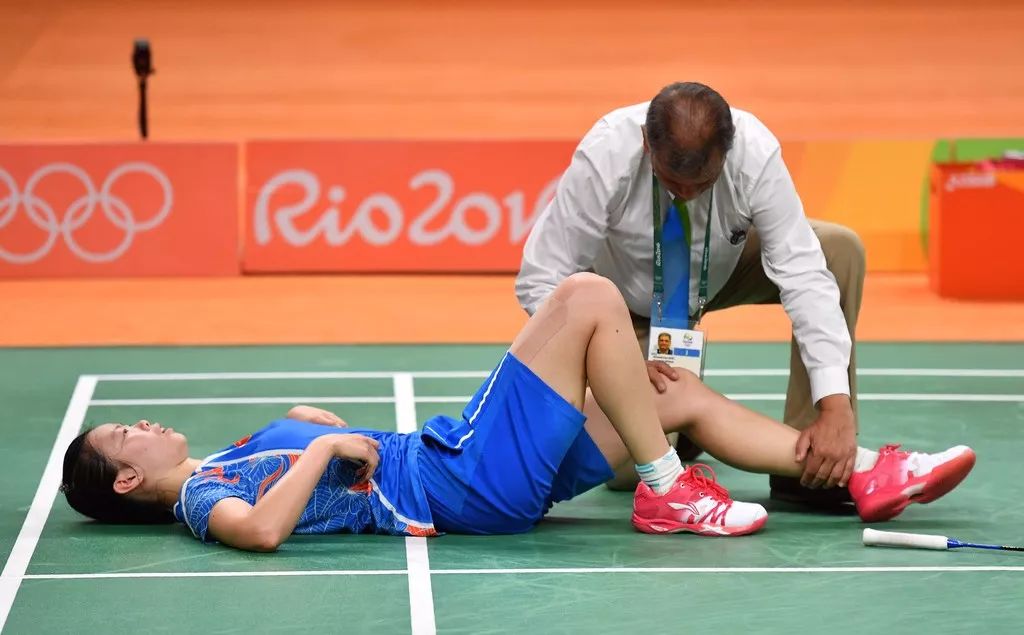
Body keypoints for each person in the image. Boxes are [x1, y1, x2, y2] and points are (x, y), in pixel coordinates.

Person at [61, 274, 974, 551]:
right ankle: (666, 490)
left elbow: (318, 445)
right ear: (129, 478)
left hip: (456, 467)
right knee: (585, 298)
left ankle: (868, 473)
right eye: (126, 433)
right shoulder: (201, 498)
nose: (143, 422)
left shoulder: (233, 452)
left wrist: (313, 430)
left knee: (673, 394)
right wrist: (326, 445)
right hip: (454, 476)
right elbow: (261, 531)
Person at [517, 82, 866, 504]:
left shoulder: (755, 151)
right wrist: (611, 363)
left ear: (727, 151)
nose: (685, 193)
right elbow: (542, 277)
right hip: (622, 307)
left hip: (722, 271)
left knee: (837, 250)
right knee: (630, 474)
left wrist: (835, 404)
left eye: (702, 183)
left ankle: (814, 464)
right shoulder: (606, 153)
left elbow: (803, 274)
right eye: (672, 180)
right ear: (646, 143)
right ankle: (687, 427)